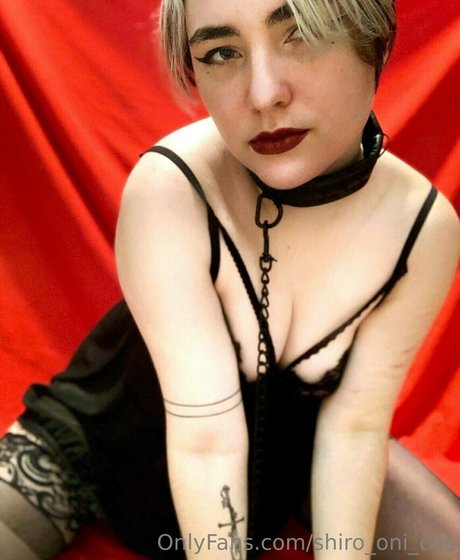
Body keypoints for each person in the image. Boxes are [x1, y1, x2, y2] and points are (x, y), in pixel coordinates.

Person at [0, 0, 459, 559]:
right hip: (96, 451)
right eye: (221, 53)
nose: (263, 95)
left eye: (302, 35)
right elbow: (206, 441)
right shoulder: (170, 188)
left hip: (293, 461)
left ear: (375, 38)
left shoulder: (424, 230)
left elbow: (355, 427)